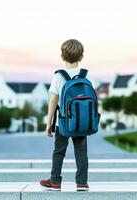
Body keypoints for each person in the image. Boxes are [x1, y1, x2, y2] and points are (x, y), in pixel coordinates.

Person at [40, 39, 91, 191]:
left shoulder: (58, 76)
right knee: (81, 152)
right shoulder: (85, 76)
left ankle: (55, 181)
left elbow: (53, 101)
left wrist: (49, 123)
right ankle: (82, 182)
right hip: (81, 122)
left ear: (62, 56)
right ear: (81, 57)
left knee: (59, 152)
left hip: (62, 123)